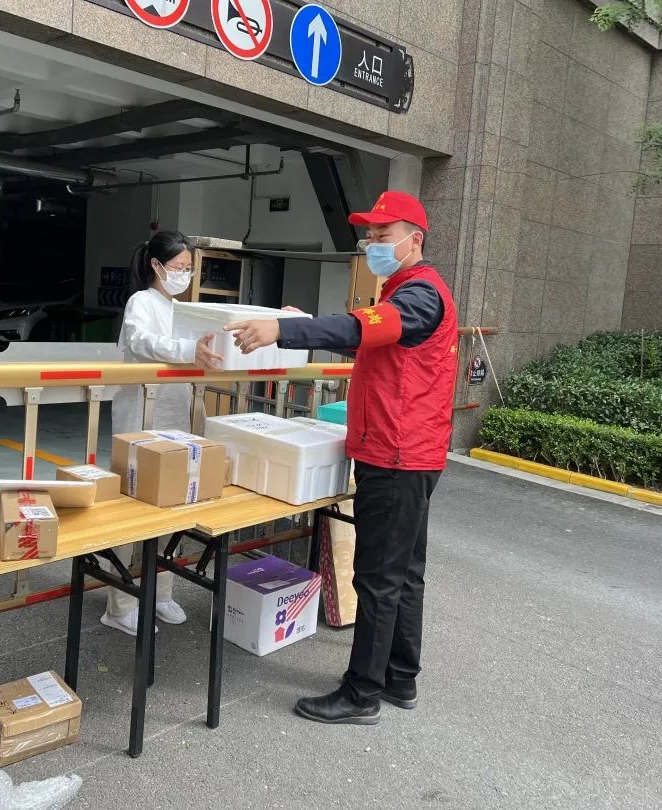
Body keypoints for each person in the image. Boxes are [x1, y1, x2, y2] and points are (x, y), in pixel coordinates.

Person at [224, 191, 458, 725]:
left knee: (378, 578)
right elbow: (370, 340)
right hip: (407, 452)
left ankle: (361, 693)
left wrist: (284, 330)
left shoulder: (420, 294)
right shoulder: (405, 292)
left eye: (382, 235)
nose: (372, 244)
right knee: (404, 573)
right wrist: (308, 320)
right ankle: (399, 678)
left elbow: (359, 328)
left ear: (414, 239)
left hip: (397, 455)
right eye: (369, 235)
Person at [103, 230, 223, 636]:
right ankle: (120, 604)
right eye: (178, 267)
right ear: (156, 265)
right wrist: (189, 351)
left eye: (189, 268)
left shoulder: (183, 309)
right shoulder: (142, 302)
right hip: (142, 417)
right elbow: (142, 341)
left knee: (173, 507)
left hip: (176, 420)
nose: (184, 274)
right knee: (133, 511)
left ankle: (160, 592)